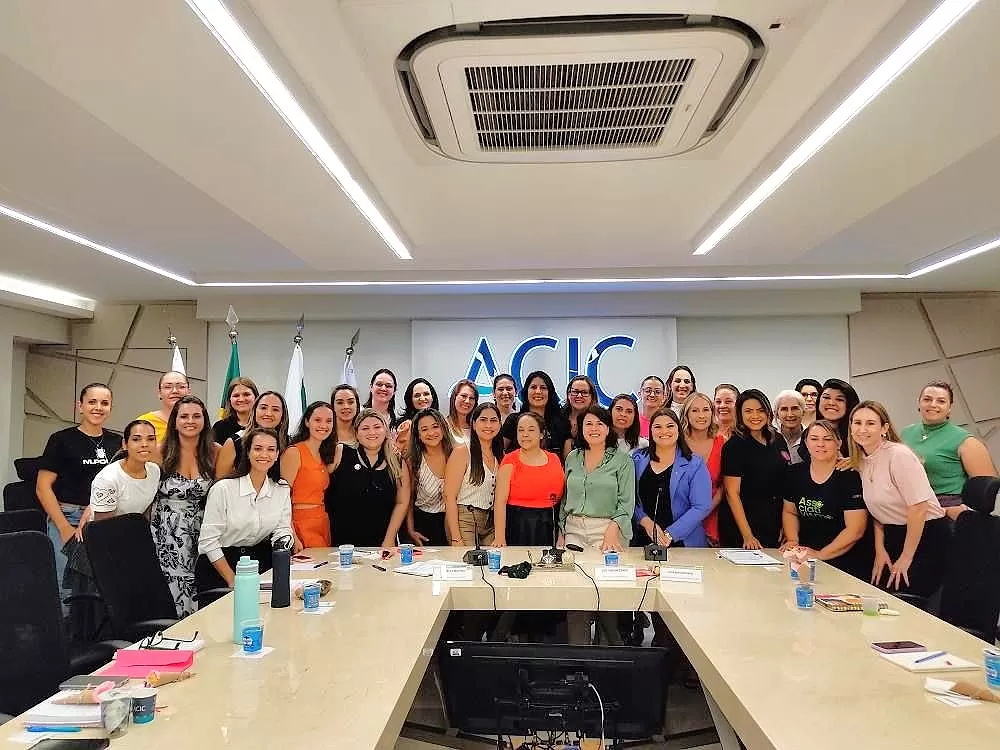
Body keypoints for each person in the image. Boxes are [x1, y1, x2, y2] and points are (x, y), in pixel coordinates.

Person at [848, 401, 949, 596]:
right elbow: (878, 511)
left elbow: (918, 507)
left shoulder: (898, 455)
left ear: (884, 428)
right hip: (892, 534)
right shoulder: (862, 459)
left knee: (905, 599)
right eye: (857, 423)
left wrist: (906, 557)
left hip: (926, 535)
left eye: (870, 423)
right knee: (881, 596)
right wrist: (880, 549)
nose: (862, 429)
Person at [631, 408, 712, 649]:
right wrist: (644, 520)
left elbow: (701, 506)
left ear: (679, 430)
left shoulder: (694, 464)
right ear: (650, 430)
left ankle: (676, 655)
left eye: (670, 426)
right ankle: (655, 645)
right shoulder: (637, 459)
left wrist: (669, 534)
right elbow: (629, 498)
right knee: (649, 595)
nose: (664, 431)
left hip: (680, 543)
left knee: (677, 604)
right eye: (658, 426)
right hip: (643, 539)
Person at [560, 405, 635, 645]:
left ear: (608, 428)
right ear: (580, 429)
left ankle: (607, 656)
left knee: (606, 596)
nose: (594, 429)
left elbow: (626, 502)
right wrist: (561, 531)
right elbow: (564, 498)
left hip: (608, 529)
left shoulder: (622, 460)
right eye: (588, 424)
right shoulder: (573, 457)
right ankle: (578, 658)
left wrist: (613, 530)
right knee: (576, 597)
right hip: (573, 529)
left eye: (599, 424)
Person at [37, 383, 121, 593]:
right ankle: (67, 627)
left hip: (104, 519)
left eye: (104, 403)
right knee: (67, 588)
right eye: (92, 402)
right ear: (80, 406)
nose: (98, 407)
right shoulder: (61, 440)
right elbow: (42, 487)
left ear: (110, 408)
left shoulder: (118, 442)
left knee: (103, 588)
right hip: (68, 517)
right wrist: (64, 527)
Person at [196, 428, 293, 590]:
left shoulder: (281, 488)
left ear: (277, 455)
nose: (264, 454)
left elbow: (283, 529)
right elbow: (208, 542)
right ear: (247, 452)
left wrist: (282, 551)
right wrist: (232, 580)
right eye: (257, 448)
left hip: (257, 562)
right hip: (220, 566)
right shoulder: (223, 489)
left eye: (271, 450)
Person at [151, 395, 219, 617]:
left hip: (203, 531)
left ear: (204, 420)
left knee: (201, 584)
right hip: (167, 534)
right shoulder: (159, 451)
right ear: (175, 421)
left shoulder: (215, 451)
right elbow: (135, 486)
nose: (190, 421)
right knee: (171, 588)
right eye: (184, 416)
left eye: (196, 416)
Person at [781, 420, 869, 578]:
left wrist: (821, 555)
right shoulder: (794, 473)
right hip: (804, 557)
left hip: (843, 562)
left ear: (838, 443)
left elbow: (855, 530)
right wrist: (793, 540)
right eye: (814, 439)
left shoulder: (851, 477)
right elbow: (790, 512)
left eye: (827, 439)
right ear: (806, 443)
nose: (820, 444)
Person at [325, 409, 411, 550]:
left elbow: (402, 502)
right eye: (365, 428)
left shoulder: (396, 461)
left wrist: (389, 540)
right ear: (357, 433)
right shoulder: (340, 452)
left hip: (380, 543)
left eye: (377, 427)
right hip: (340, 542)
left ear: (385, 431)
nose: (372, 432)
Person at [900, 381, 996, 507]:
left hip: (948, 508)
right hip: (909, 505)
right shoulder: (906, 433)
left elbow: (986, 490)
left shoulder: (966, 441)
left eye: (941, 401)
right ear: (919, 402)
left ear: (949, 407)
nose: (933, 404)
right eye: (927, 399)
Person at [720, 389, 786, 549]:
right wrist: (748, 536)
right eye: (748, 411)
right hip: (743, 527)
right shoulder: (734, 446)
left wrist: (786, 524)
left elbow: (784, 484)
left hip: (773, 521)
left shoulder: (777, 439)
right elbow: (732, 494)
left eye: (760, 410)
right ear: (740, 414)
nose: (755, 416)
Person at [494, 412, 565, 547]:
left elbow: (563, 498)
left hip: (549, 526)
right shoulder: (509, 460)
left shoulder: (554, 459)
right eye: (521, 430)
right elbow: (499, 502)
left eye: (531, 430)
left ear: (542, 434)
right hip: (518, 526)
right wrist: (499, 537)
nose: (525, 434)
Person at [445, 403, 503, 547]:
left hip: (490, 522)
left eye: (493, 420)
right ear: (474, 423)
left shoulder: (500, 456)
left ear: (500, 424)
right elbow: (449, 496)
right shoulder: (462, 452)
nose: (488, 425)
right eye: (483, 420)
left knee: (492, 565)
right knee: (468, 565)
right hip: (465, 519)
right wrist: (456, 538)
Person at [281, 401, 336, 551]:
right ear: (307, 422)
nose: (323, 425)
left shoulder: (325, 455)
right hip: (300, 523)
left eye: (329, 421)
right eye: (317, 420)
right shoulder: (294, 452)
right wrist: (292, 534)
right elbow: (281, 497)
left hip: (322, 522)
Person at [89, 420, 160, 519]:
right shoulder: (108, 479)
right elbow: (102, 527)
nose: (144, 444)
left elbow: (145, 511)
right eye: (136, 439)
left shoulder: (154, 470)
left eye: (151, 439)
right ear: (125, 444)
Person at [680, 393, 725, 546]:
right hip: (680, 517)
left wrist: (704, 511)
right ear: (686, 414)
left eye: (706, 410)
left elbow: (724, 485)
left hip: (713, 515)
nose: (701, 415)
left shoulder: (722, 443)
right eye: (695, 410)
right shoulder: (677, 443)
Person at [406, 408, 455, 546]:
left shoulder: (456, 455)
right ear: (418, 435)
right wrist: (411, 530)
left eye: (435, 426)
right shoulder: (413, 461)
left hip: (456, 521)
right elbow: (407, 499)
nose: (431, 433)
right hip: (424, 524)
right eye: (424, 429)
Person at [215, 391, 288, 479]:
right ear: (254, 411)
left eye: (275, 409)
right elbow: (220, 482)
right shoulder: (235, 442)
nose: (268, 413)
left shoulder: (290, 444)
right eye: (263, 408)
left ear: (282, 416)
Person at [499, 370, 567, 455]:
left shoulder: (560, 422)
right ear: (526, 392)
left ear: (550, 393)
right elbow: (499, 451)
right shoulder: (513, 420)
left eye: (543, 388)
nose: (538, 391)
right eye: (533, 387)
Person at [801, 378, 859, 461]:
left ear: (849, 404)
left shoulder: (858, 434)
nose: (831, 403)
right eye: (826, 397)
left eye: (839, 399)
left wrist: (856, 462)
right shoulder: (808, 433)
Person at [137, 371, 191, 442]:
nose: (175, 391)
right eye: (168, 387)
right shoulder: (145, 422)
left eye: (181, 387)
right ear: (159, 393)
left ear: (189, 392)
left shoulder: (196, 422)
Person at [212, 377, 259, 447]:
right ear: (230, 399)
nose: (241, 399)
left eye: (246, 394)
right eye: (236, 395)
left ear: (256, 397)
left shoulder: (264, 425)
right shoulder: (219, 427)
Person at [560, 375, 597, 457]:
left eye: (584, 392)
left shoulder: (599, 421)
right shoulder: (557, 417)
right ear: (569, 394)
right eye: (575, 392)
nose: (579, 396)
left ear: (592, 396)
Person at [773, 390, 805, 465]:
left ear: (803, 411)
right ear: (776, 414)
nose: (790, 414)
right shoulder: (769, 438)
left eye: (795, 408)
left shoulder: (813, 437)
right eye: (784, 409)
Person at [447, 379, 479, 443]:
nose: (467, 401)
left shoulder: (477, 428)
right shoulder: (443, 425)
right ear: (454, 397)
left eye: (471, 398)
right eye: (463, 396)